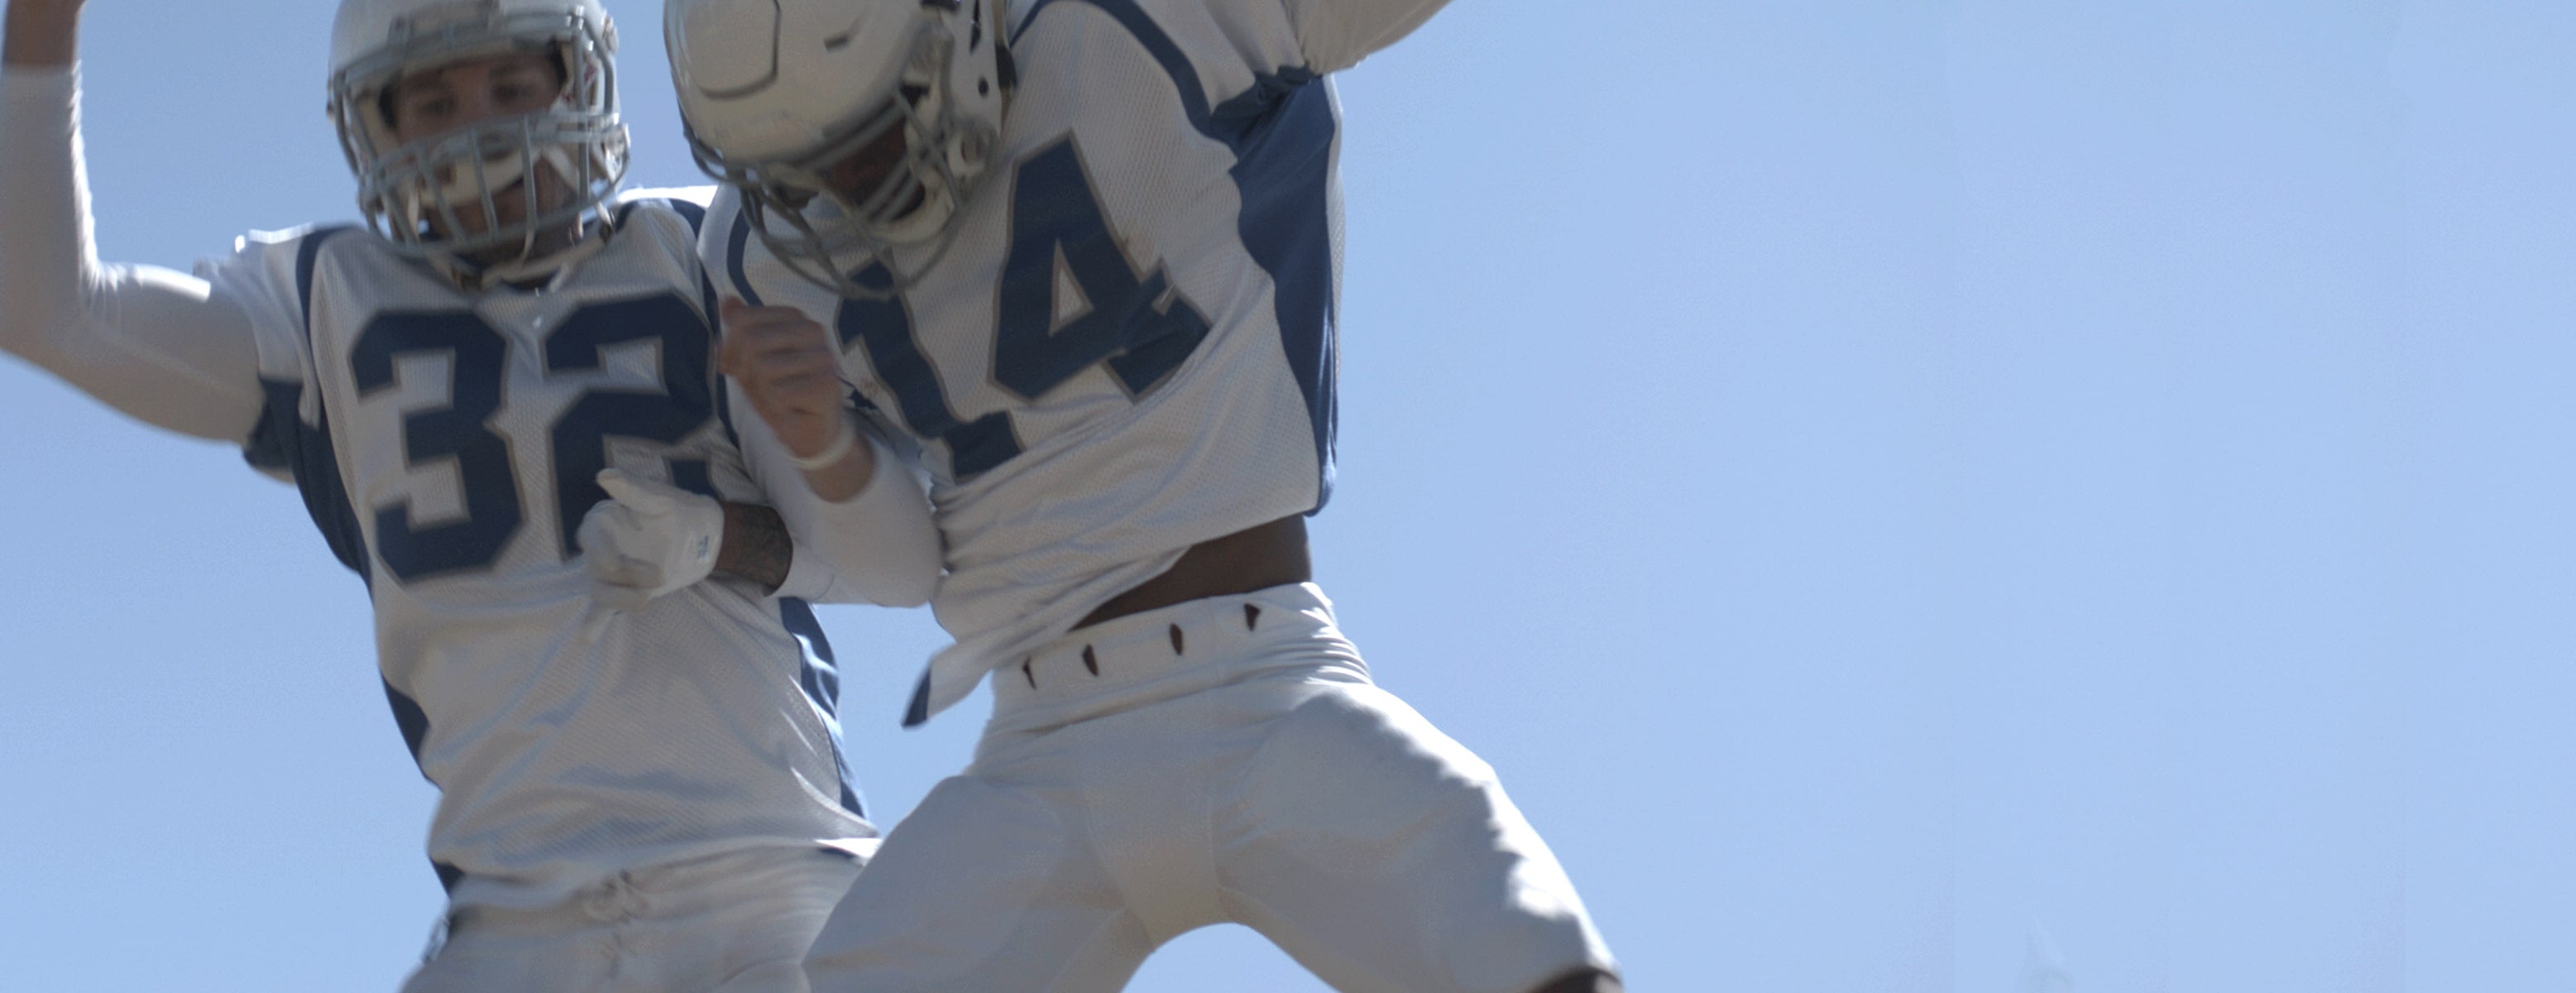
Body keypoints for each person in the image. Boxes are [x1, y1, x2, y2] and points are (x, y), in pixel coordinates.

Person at [656, 1, 1621, 990]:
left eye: (863, 134)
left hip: (1267, 685)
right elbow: (901, 572)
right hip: (1035, 757)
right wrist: (822, 448)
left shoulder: (1136, 26)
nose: (837, 184)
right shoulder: (754, 251)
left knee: (1525, 955)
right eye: (794, 166)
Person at [0, 0, 939, 989]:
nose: (478, 124)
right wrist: (43, 27)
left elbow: (900, 565)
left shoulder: (705, 250)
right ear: (376, 125)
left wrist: (815, 452)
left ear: (575, 85)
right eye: (434, 99)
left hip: (774, 871)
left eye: (508, 85)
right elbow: (49, 312)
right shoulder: (315, 298)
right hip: (517, 914)